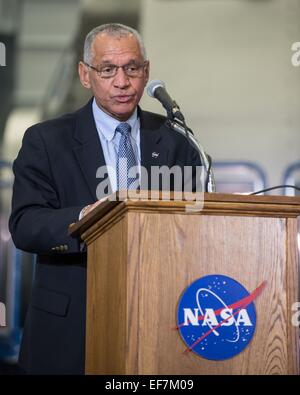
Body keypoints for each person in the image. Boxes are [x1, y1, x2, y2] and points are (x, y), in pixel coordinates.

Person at [9, 23, 201, 375]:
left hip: (157, 318)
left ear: (146, 72)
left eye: (132, 68)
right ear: (85, 74)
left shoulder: (176, 142)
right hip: (70, 324)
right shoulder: (46, 141)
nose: (122, 81)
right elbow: (25, 225)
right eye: (108, 69)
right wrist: (87, 217)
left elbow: (193, 227)